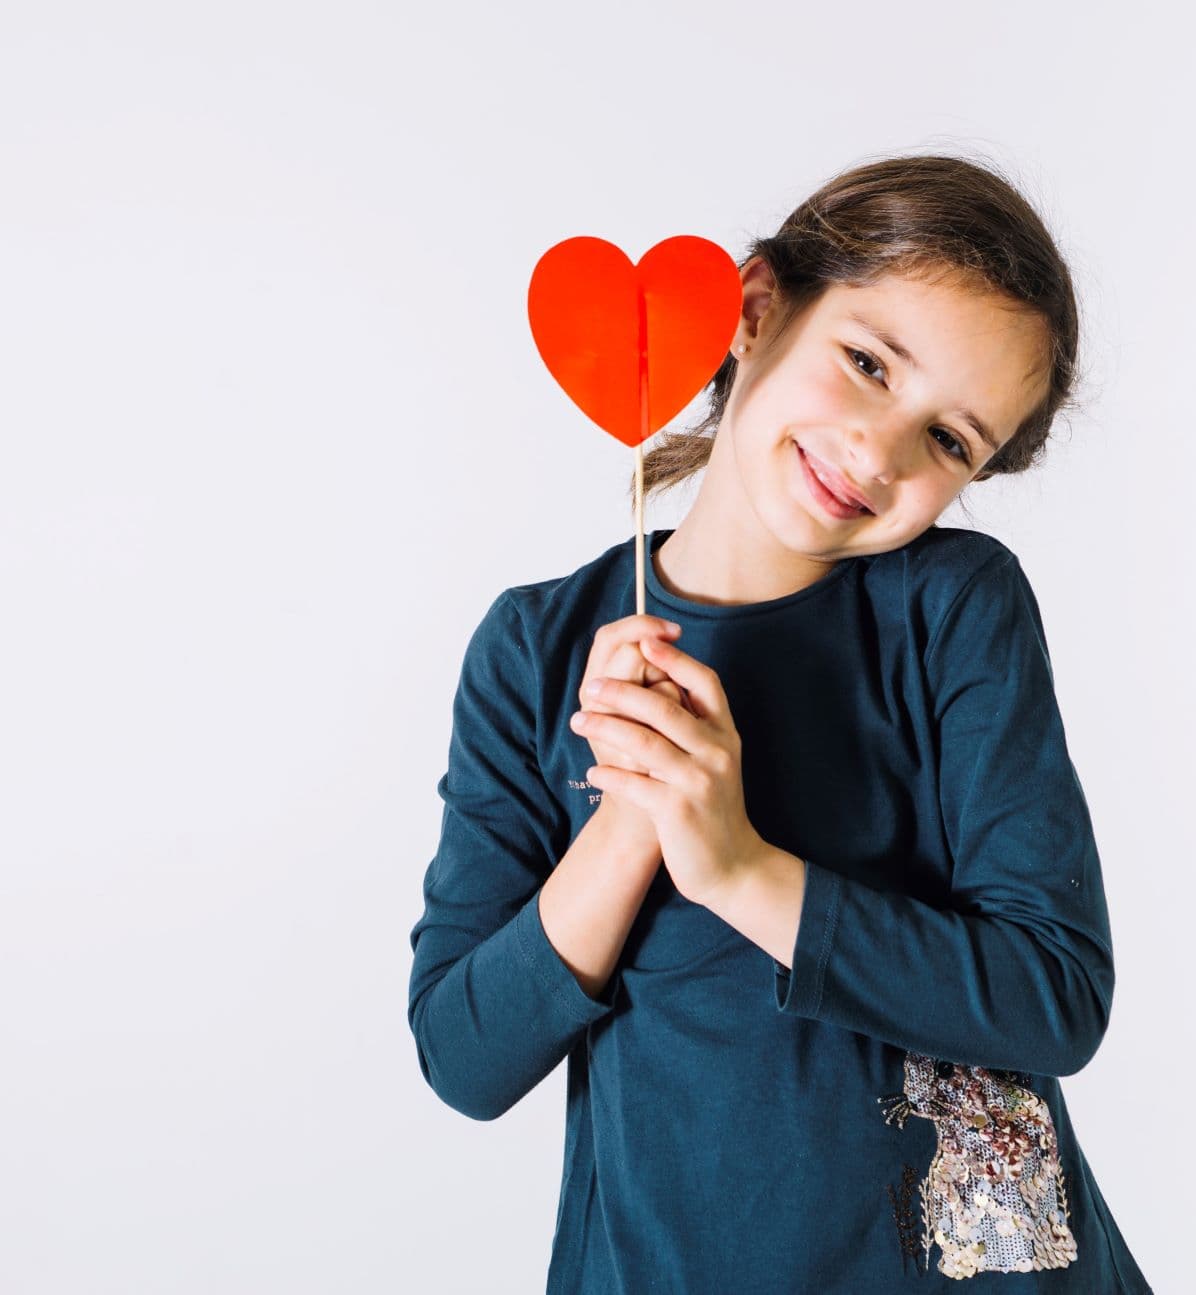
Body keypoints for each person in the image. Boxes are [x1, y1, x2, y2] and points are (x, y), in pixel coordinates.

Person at [407, 151, 1152, 1293]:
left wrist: (740, 866)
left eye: (950, 441)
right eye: (865, 362)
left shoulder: (953, 607)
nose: (878, 450)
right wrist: (628, 824)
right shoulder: (535, 646)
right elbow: (464, 1054)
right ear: (756, 311)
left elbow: (1054, 993)